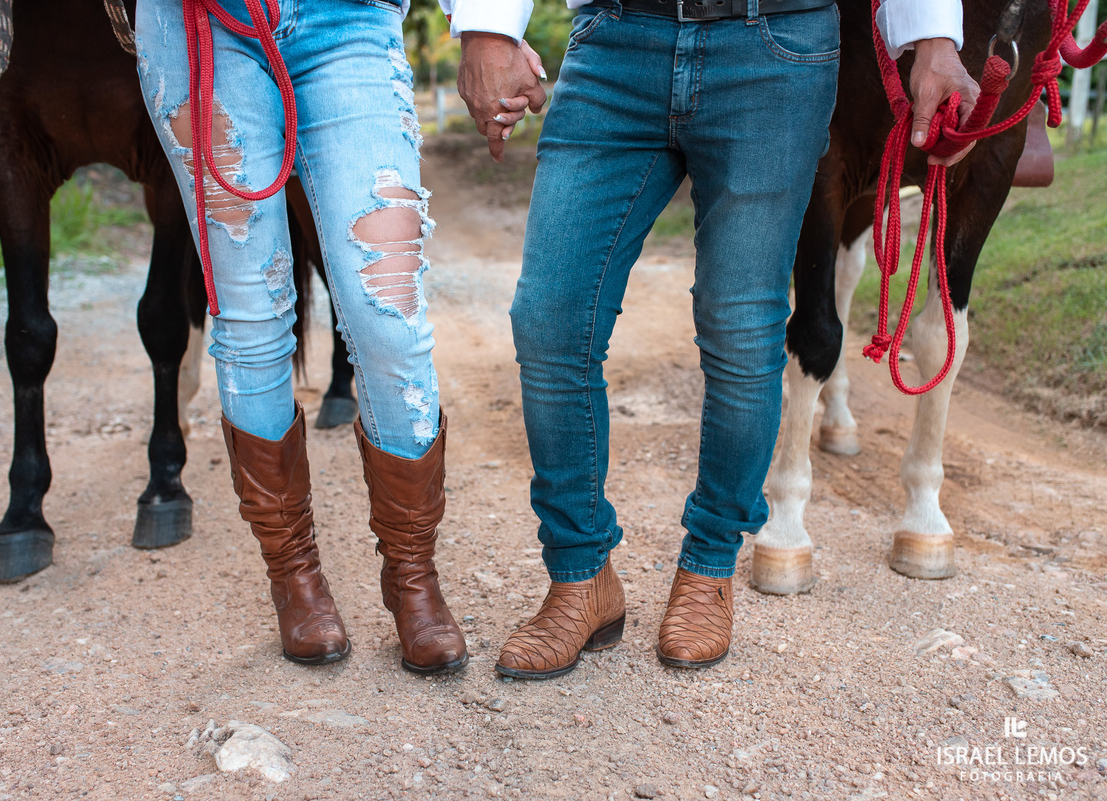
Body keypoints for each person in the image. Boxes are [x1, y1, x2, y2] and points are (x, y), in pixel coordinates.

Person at [450, 0, 978, 679]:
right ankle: (581, 575)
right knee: (551, 315)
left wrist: (932, 33)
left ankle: (707, 567)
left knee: (739, 323)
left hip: (775, 46)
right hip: (614, 40)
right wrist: (488, 22)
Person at [133, 0, 473, 675]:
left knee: (388, 311)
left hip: (346, 19)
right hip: (199, 26)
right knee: (250, 314)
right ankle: (293, 574)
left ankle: (411, 573)